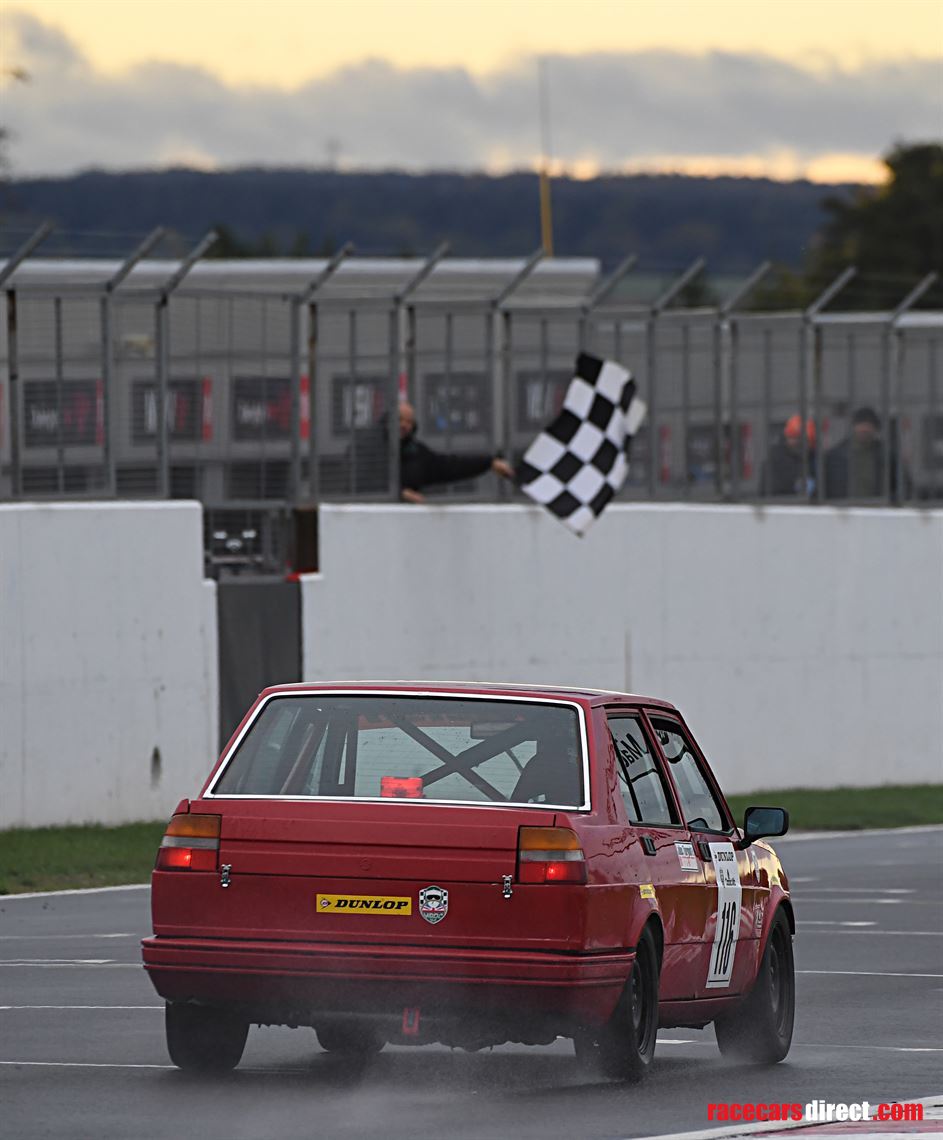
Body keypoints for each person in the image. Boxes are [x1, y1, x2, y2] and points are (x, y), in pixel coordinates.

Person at [398, 401, 514, 503]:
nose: (404, 425)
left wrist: (489, 463)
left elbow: (451, 466)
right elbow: (381, 482)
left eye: (408, 422)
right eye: (399, 419)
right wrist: (400, 493)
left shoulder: (417, 453)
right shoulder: (380, 451)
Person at [824, 406, 911, 502]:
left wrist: (890, 503)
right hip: (844, 512)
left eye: (869, 425)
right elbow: (824, 487)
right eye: (861, 424)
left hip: (877, 512)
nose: (864, 428)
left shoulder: (887, 455)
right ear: (853, 426)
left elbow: (904, 485)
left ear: (875, 428)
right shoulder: (835, 455)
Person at [759, 415, 816, 498]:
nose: (798, 443)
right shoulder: (776, 459)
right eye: (793, 438)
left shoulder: (815, 458)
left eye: (806, 441)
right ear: (786, 437)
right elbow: (769, 493)